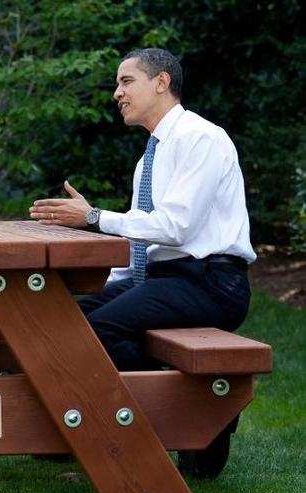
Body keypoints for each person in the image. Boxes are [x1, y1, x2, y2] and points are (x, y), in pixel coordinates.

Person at [29, 48, 256, 371]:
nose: (117, 93)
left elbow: (176, 228)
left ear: (161, 82)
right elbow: (142, 241)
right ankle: (171, 401)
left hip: (211, 284)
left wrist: (94, 217)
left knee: (95, 332)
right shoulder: (149, 157)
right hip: (163, 279)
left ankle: (182, 406)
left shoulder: (200, 138)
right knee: (67, 324)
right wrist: (105, 285)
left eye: (127, 81)